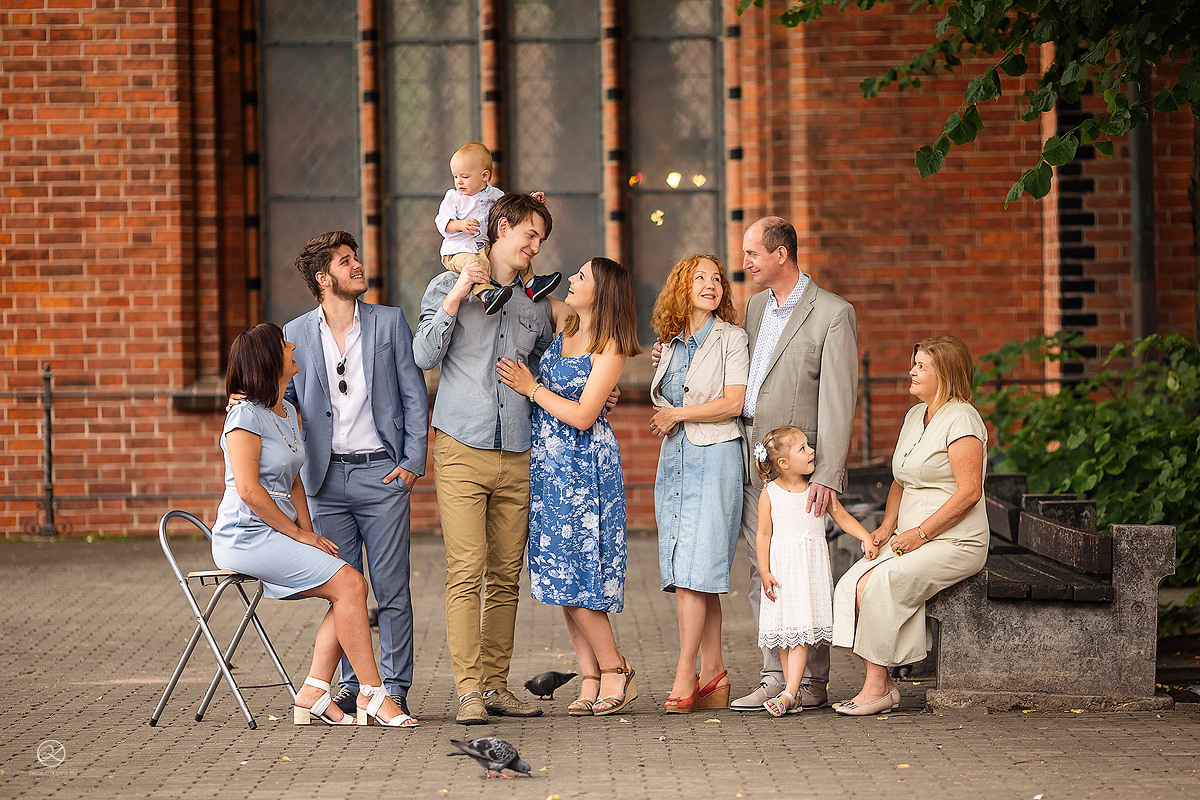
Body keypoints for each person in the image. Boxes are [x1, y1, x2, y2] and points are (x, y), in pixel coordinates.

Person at [211, 323, 416, 727]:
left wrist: (310, 534)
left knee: (347, 590)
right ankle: (374, 694)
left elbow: (294, 480)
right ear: (270, 360)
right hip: (245, 536)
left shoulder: (282, 412)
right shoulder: (243, 419)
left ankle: (313, 692)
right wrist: (299, 535)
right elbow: (251, 493)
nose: (292, 346)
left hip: (275, 531)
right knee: (351, 584)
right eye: (284, 344)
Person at [414, 192, 555, 725]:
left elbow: (545, 368)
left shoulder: (535, 301)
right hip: (461, 447)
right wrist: (458, 294)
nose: (535, 246)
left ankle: (496, 686)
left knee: (505, 577)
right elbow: (422, 355)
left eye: (541, 239)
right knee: (465, 572)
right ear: (501, 227)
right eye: (530, 234)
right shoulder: (443, 284)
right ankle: (468, 691)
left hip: (517, 450)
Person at [282, 231, 429, 721]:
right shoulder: (296, 334)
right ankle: (352, 688)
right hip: (325, 482)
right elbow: (282, 399)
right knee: (344, 588)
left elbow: (413, 396)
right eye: (346, 262)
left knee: (391, 589)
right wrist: (246, 397)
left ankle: (395, 687)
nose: (358, 266)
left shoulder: (388, 323)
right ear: (324, 279)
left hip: (382, 476)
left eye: (356, 258)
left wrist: (411, 463)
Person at [496, 256, 642, 717]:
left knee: (581, 579)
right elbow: (524, 275)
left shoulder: (611, 345)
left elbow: (583, 416)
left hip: (584, 471)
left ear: (603, 293)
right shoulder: (565, 319)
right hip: (548, 467)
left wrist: (531, 388)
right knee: (561, 579)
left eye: (581, 277)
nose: (571, 280)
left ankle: (618, 670)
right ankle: (592, 676)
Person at [730, 216, 860, 713]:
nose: (744, 263)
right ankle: (772, 675)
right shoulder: (756, 307)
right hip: (753, 463)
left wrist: (826, 474)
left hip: (801, 474)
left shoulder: (832, 313)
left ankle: (810, 682)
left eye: (752, 255)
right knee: (761, 570)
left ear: (781, 255)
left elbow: (839, 399)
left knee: (806, 571)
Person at [830, 335, 988, 715]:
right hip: (910, 537)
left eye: (921, 366)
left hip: (955, 541)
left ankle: (876, 687)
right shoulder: (915, 415)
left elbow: (969, 493)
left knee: (878, 582)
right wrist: (886, 527)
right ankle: (882, 683)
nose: (911, 371)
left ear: (945, 374)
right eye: (913, 364)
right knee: (853, 581)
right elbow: (900, 481)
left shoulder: (963, 420)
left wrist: (920, 533)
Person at [647, 254, 748, 713]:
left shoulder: (732, 339)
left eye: (717, 279)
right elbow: (666, 393)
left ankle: (685, 672)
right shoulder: (668, 343)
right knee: (697, 576)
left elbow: (733, 403)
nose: (711, 285)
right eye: (700, 278)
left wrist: (678, 415)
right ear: (681, 287)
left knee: (693, 573)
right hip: (676, 461)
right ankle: (717, 674)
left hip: (714, 458)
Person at [752, 425, 878, 716]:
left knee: (801, 633)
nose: (811, 452)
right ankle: (791, 693)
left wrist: (865, 537)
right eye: (803, 448)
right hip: (782, 570)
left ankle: (789, 693)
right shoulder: (769, 493)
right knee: (786, 633)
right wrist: (764, 570)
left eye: (809, 446)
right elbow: (763, 535)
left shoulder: (817, 490)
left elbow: (843, 516)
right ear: (783, 464)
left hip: (808, 570)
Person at [436, 142, 560, 314]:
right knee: (475, 265)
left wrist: (531, 203)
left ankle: (532, 284)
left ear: (484, 176)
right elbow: (442, 222)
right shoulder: (454, 198)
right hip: (460, 249)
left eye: (464, 176)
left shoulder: (495, 195)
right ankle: (486, 294)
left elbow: (512, 210)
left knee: (520, 254)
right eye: (455, 176)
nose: (458, 182)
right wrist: (459, 224)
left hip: (483, 246)